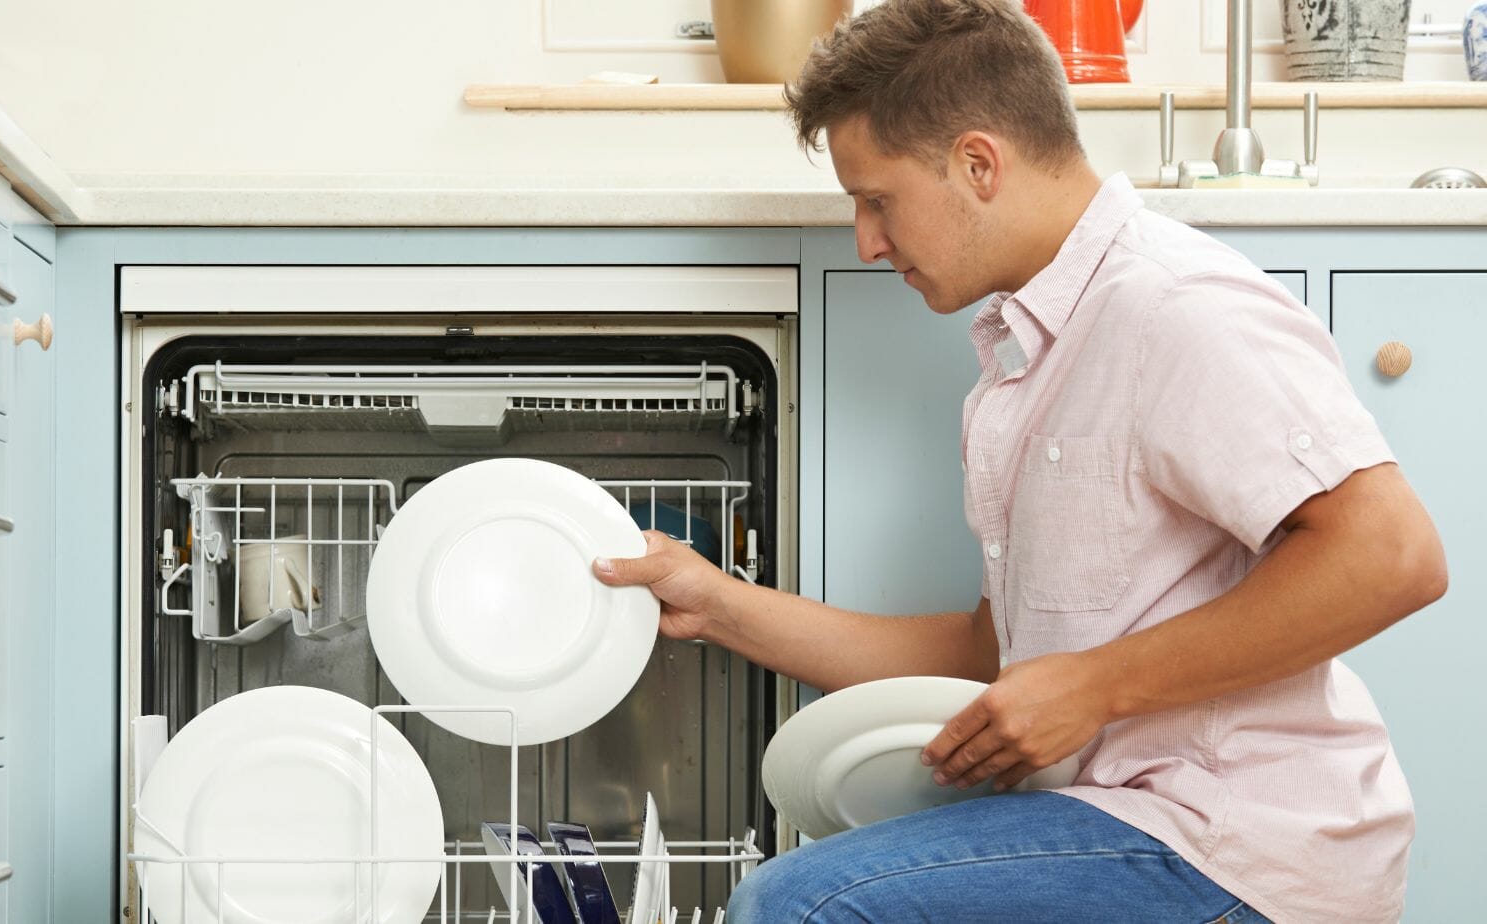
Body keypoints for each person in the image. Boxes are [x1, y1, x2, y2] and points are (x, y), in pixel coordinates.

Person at [590, 0, 1447, 920]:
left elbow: (1392, 556)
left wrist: (1094, 685)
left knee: (801, 906)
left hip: (1235, 845)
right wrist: (718, 603)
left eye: (877, 199)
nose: (867, 241)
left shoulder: (1173, 307)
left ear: (977, 164)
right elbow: (988, 654)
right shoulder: (1033, 349)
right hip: (1124, 817)